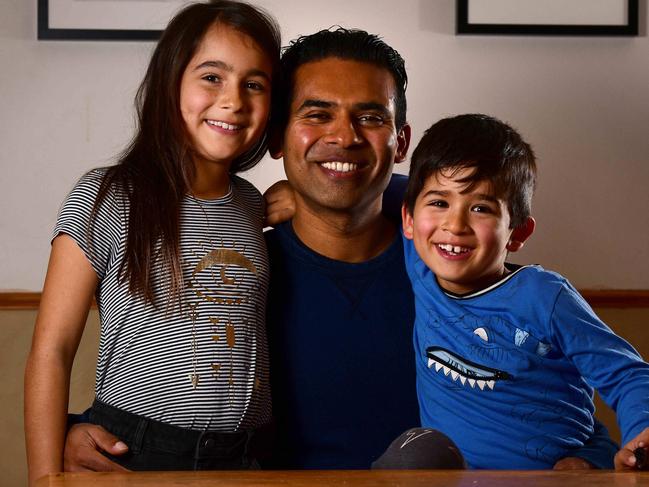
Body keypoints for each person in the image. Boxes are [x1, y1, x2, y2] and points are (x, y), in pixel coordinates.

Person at [60, 27, 619, 472]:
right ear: (276, 137)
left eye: (371, 117)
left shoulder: (449, 256)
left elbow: (539, 387)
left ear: (401, 143)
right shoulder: (242, 265)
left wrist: (586, 459)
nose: (345, 136)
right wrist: (77, 432)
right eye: (317, 113)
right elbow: (169, 374)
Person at [24, 1, 281, 482]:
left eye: (254, 84)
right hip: (137, 451)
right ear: (170, 82)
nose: (234, 100)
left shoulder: (253, 205)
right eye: (212, 77)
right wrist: (44, 477)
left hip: (243, 459)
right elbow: (52, 348)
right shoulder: (108, 194)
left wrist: (295, 200)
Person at [398, 113, 649, 469]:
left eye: (481, 208)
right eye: (439, 203)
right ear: (409, 219)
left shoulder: (544, 298)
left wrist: (642, 433)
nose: (453, 225)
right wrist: (290, 194)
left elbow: (627, 374)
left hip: (559, 465)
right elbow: (363, 188)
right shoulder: (421, 263)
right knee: (409, 455)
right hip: (457, 473)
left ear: (517, 233)